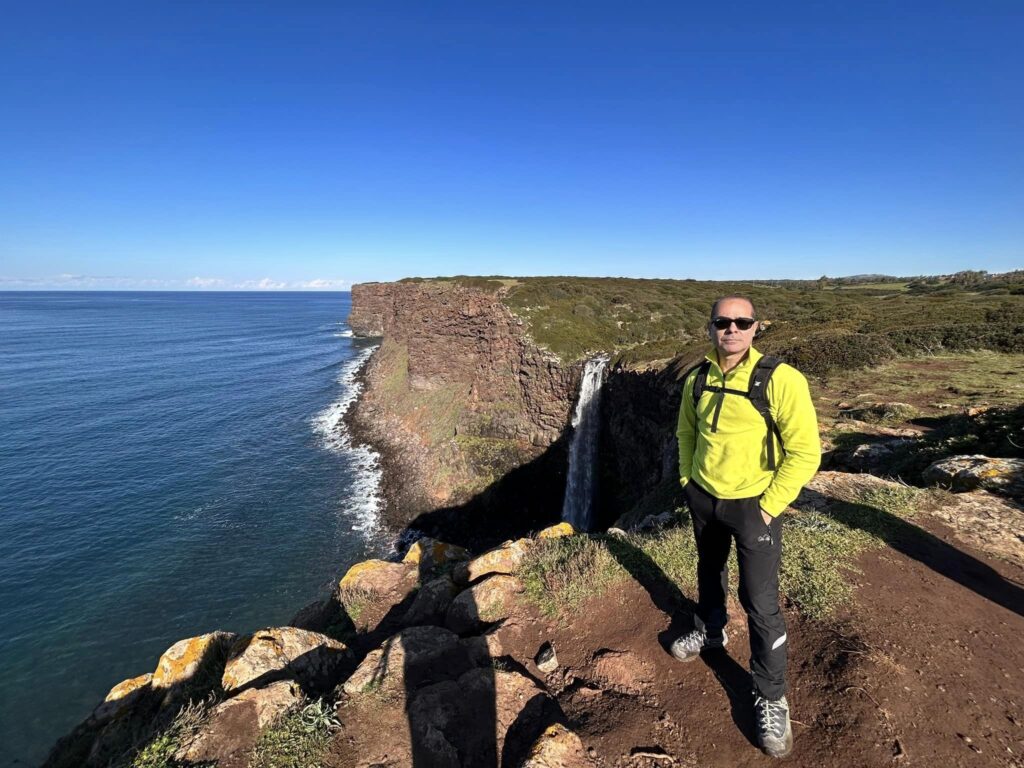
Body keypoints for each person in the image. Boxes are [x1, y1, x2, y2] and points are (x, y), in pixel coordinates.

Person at [672, 296, 820, 758]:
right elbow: (686, 433)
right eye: (722, 322)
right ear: (711, 327)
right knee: (708, 571)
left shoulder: (780, 379)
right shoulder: (697, 378)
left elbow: (805, 452)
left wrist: (769, 506)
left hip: (753, 505)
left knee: (760, 601)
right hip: (704, 497)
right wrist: (687, 480)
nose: (731, 329)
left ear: (756, 328)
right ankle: (711, 630)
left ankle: (771, 696)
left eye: (742, 322)